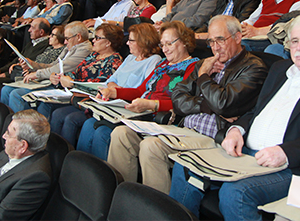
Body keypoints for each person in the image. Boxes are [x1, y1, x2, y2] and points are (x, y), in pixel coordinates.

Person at [169, 13, 300, 220]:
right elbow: (256, 111)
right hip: (245, 153)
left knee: (236, 193)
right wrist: (237, 130)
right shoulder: (280, 68)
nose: (299, 47)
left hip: (289, 165)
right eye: (294, 41)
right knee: (186, 167)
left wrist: (285, 151)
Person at [108, 15, 269, 194]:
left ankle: (154, 210)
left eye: (221, 40)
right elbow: (177, 98)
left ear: (238, 37)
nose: (215, 48)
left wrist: (204, 77)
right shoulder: (206, 63)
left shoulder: (253, 67)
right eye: (211, 41)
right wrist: (207, 106)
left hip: (211, 137)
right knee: (121, 133)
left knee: (150, 146)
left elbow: (223, 104)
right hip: (184, 128)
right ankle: (120, 198)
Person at [78, 21, 199, 160]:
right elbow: (141, 90)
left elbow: (186, 103)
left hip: (161, 119)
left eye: (169, 43)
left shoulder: (194, 66)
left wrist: (152, 104)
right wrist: (113, 92)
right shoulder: (163, 64)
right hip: (141, 114)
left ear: (184, 41)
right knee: (116, 131)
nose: (165, 49)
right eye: (163, 44)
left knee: (110, 131)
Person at [49, 23, 162, 146]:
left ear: (143, 41)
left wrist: (118, 90)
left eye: (131, 40)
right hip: (110, 102)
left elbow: (144, 90)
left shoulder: (154, 60)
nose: (127, 43)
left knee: (91, 127)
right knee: (75, 119)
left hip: (127, 107)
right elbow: (110, 80)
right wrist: (115, 88)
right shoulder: (130, 58)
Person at [9, 24, 124, 114]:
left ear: (108, 43)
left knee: (57, 113)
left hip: (87, 97)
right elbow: (76, 72)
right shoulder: (93, 55)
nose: (93, 40)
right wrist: (59, 78)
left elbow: (101, 85)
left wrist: (72, 83)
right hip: (71, 91)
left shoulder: (114, 61)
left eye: (97, 38)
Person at [0, 21, 93, 112]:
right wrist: (33, 65)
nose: (65, 42)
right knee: (6, 89)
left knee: (16, 94)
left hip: (58, 85)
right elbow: (53, 65)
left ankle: (21, 124)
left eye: (67, 38)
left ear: (78, 37)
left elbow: (59, 68)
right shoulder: (70, 47)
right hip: (50, 80)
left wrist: (37, 74)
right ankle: (6, 123)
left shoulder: (85, 50)